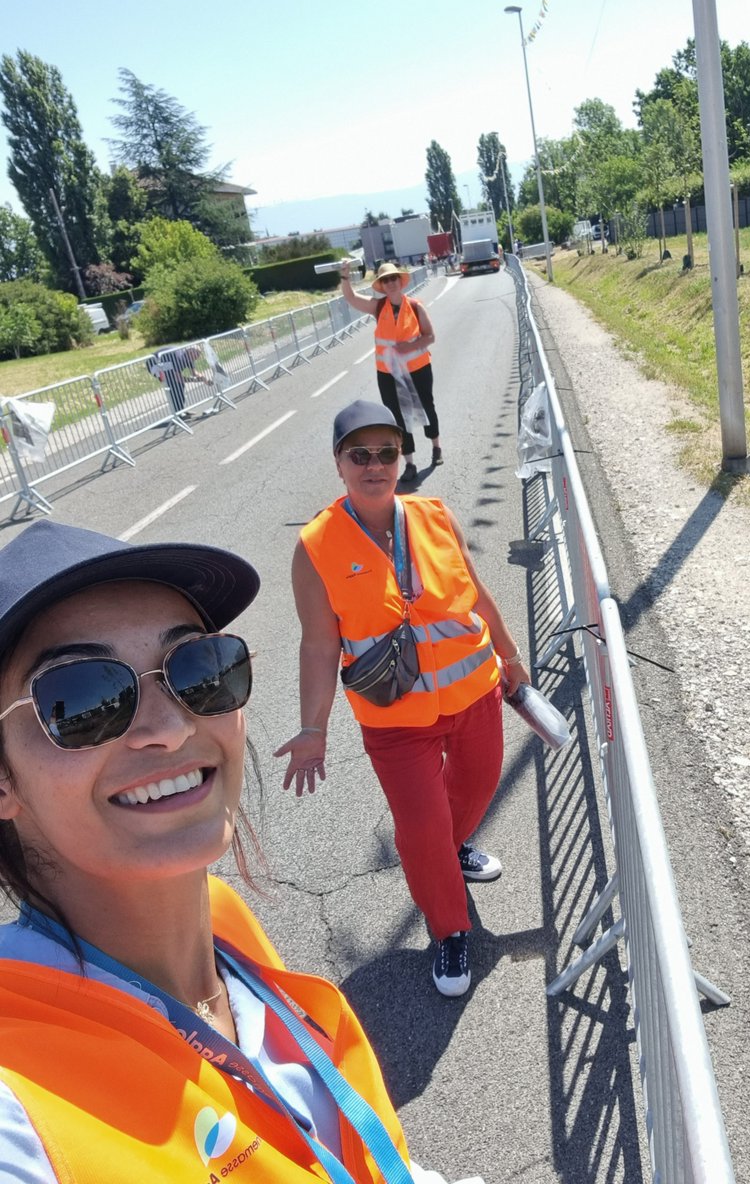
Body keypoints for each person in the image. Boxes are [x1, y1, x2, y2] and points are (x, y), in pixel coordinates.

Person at [0, 519, 482, 1183]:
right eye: (82, 701)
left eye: (199, 670)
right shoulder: (21, 1103)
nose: (170, 726)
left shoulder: (221, 919)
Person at [276, 401, 530, 998]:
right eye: (358, 454)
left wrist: (511, 656)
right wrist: (314, 729)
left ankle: (451, 850)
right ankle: (448, 928)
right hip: (394, 718)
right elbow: (318, 646)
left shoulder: (434, 514)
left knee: (475, 789)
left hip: (474, 694)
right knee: (419, 826)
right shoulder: (315, 546)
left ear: (402, 457)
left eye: (386, 452)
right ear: (338, 463)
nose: (374, 465)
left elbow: (474, 591)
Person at [340, 262, 441, 484]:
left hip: (418, 369)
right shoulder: (378, 307)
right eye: (385, 280)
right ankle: (410, 463)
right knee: (397, 417)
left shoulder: (415, 307)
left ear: (400, 281)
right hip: (388, 373)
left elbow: (430, 336)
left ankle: (436, 446)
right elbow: (352, 299)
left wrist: (410, 347)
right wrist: (345, 278)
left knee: (426, 407)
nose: (390, 283)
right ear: (382, 286)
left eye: (393, 278)